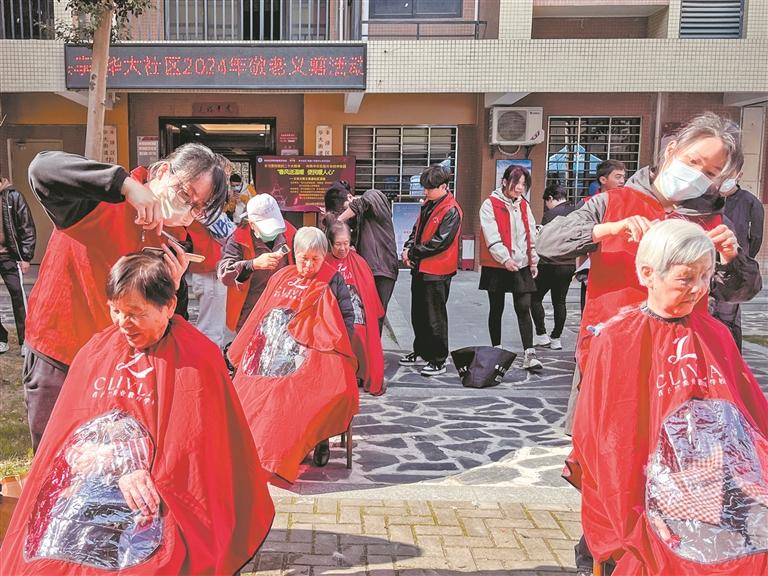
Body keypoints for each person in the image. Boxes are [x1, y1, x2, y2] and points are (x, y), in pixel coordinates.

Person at [539, 112, 762, 575]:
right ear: (671, 151)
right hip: (614, 360)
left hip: (682, 370)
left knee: (676, 475)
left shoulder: (710, 219)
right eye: (694, 162)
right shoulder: (612, 202)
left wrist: (730, 257)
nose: (698, 176)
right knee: (610, 468)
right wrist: (606, 231)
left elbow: (739, 292)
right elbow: (548, 243)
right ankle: (602, 555)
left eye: (710, 172)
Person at [0, 252, 275, 575]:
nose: (122, 323)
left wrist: (142, 469)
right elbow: (70, 427)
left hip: (160, 496)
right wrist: (110, 461)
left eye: (135, 313)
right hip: (87, 489)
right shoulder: (96, 351)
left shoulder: (198, 358)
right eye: (115, 310)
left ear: (169, 306)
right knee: (41, 560)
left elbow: (192, 449)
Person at [570, 220, 768, 575]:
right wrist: (637, 511)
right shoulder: (617, 340)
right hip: (646, 498)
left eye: (705, 277)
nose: (699, 289)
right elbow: (607, 442)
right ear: (648, 274)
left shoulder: (716, 335)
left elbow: (750, 419)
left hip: (716, 490)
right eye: (686, 278)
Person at [22, 143, 227, 451]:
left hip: (120, 367)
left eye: (198, 208)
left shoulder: (175, 240)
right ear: (162, 171)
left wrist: (171, 287)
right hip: (61, 351)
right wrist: (126, 186)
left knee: (112, 462)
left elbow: (171, 322)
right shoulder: (100, 199)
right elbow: (42, 168)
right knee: (55, 456)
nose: (187, 209)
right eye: (185, 194)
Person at [227, 227, 358, 481]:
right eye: (303, 259)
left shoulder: (333, 280)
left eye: (315, 260)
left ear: (324, 256)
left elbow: (346, 319)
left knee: (311, 393)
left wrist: (327, 346)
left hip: (317, 354)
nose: (308, 265)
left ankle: (319, 440)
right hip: (274, 353)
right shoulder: (281, 276)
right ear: (294, 254)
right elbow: (261, 314)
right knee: (257, 393)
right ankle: (265, 452)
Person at [399, 165, 463, 377]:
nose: (425, 191)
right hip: (421, 267)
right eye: (425, 187)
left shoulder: (451, 210)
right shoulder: (429, 204)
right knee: (418, 314)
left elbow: (440, 243)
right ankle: (422, 351)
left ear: (443, 187)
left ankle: (438, 359)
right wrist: (408, 248)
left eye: (429, 188)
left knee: (435, 317)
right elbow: (416, 230)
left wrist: (412, 252)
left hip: (437, 270)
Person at [479, 164, 542, 370]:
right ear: (505, 182)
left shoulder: (524, 205)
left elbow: (530, 233)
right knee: (496, 307)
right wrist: (504, 258)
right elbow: (491, 234)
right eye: (517, 183)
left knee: (523, 307)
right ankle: (496, 350)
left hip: (521, 263)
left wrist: (533, 260)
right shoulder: (490, 204)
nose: (520, 188)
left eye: (524, 184)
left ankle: (530, 354)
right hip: (497, 264)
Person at [218, 194, 296, 333]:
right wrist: (253, 265)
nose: (273, 232)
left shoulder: (290, 233)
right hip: (249, 310)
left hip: (282, 309)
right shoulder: (238, 239)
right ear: (252, 224)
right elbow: (225, 273)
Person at [326, 220, 386, 396]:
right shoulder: (324, 261)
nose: (343, 248)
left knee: (359, 331)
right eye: (338, 244)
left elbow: (368, 292)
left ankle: (360, 373)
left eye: (346, 243)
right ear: (330, 243)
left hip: (356, 308)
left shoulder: (359, 262)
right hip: (331, 309)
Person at [328, 182, 399, 329]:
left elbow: (361, 204)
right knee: (364, 315)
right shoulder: (359, 219)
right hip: (368, 272)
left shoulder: (373, 195)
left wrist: (339, 220)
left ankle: (375, 344)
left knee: (376, 317)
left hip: (383, 270)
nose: (345, 214)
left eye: (343, 209)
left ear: (350, 197)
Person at [710, 173, 765, 350]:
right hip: (709, 265)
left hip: (734, 267)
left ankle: (731, 354)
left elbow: (756, 236)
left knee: (728, 316)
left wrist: (743, 260)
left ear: (739, 175)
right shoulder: (710, 199)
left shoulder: (750, 202)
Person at [575, 160, 627, 312]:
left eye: (623, 177)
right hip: (594, 266)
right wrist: (582, 272)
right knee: (592, 312)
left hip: (621, 266)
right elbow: (580, 240)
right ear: (603, 179)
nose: (622, 181)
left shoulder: (627, 203)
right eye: (617, 177)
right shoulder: (588, 204)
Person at [530, 184, 576, 351]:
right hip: (569, 264)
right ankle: (556, 338)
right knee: (560, 301)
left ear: (550, 198)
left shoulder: (550, 215)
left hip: (549, 264)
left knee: (534, 297)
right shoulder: (576, 212)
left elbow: (544, 239)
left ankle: (541, 334)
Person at [0, 175, 36, 355]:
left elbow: (26, 226)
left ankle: (25, 340)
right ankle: (1, 338)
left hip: (9, 256)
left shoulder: (13, 196)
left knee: (18, 296)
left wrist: (26, 257)